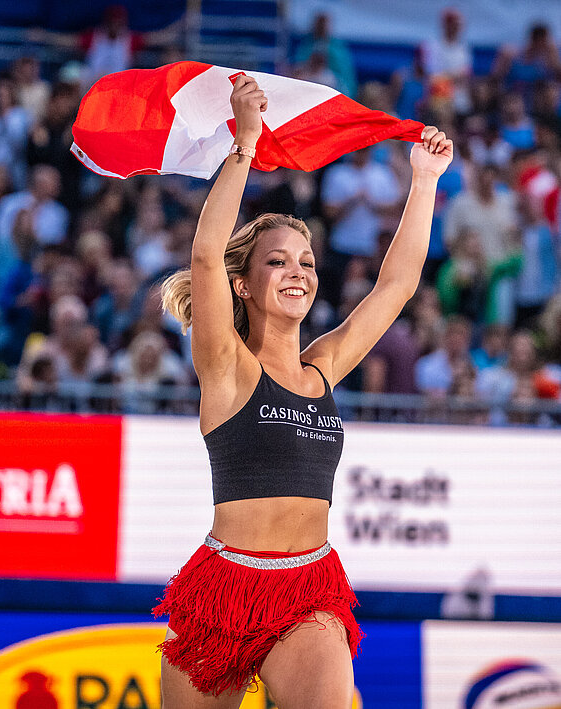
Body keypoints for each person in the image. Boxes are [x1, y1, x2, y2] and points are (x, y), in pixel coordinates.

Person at [153, 74, 453, 706]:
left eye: (307, 262)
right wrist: (245, 144)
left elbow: (394, 288)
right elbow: (207, 254)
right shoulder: (227, 367)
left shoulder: (323, 368)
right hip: (223, 585)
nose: (298, 272)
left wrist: (424, 181)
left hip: (310, 586)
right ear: (244, 285)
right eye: (278, 261)